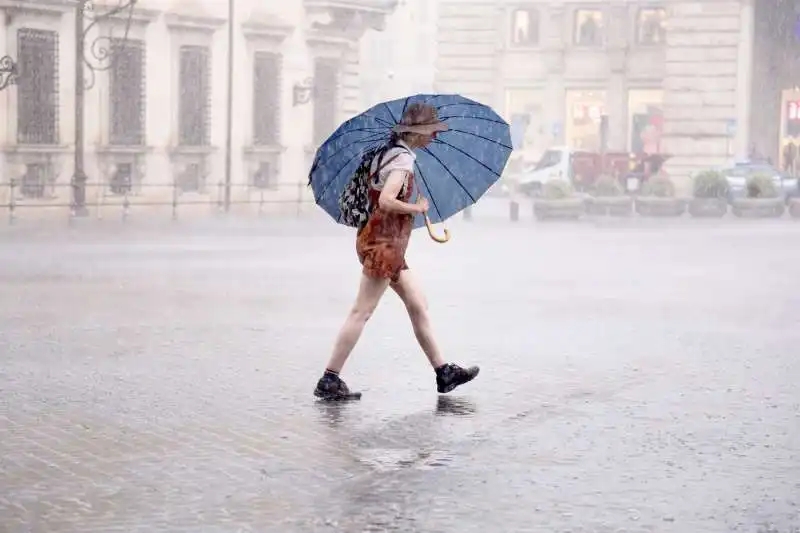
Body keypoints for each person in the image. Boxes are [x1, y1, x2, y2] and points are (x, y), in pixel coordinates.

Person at [313, 103, 480, 401]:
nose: (434, 137)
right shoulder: (402, 159)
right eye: (431, 132)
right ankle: (329, 378)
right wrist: (416, 207)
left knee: (418, 303)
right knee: (361, 311)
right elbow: (387, 201)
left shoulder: (386, 154)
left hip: (381, 241)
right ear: (417, 133)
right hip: (384, 244)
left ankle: (444, 372)